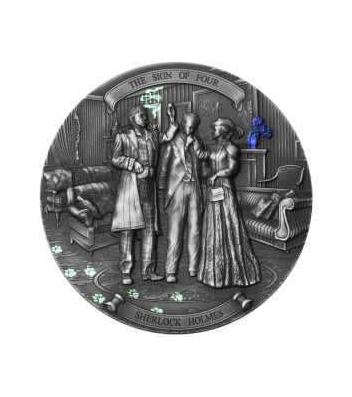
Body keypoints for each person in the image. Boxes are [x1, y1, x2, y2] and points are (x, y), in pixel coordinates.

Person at [111, 105, 177, 285]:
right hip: (131, 187)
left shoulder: (152, 135)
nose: (144, 118)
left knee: (149, 230)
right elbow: (115, 159)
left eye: (145, 115)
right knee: (128, 230)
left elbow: (167, 136)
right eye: (141, 115)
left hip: (149, 187)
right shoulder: (123, 136)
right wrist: (132, 162)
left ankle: (148, 271)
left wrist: (172, 120)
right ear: (132, 118)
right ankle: (126, 272)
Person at [192, 117, 261, 288]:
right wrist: (194, 141)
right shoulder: (213, 148)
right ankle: (214, 273)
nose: (212, 131)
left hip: (225, 189)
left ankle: (233, 272)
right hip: (213, 190)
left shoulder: (231, 147)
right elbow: (202, 155)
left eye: (215, 129)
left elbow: (232, 169)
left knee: (228, 226)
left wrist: (216, 174)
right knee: (213, 227)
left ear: (222, 130)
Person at [159, 112, 204, 283]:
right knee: (175, 231)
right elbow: (164, 167)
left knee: (195, 230)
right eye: (189, 126)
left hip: (195, 188)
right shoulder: (173, 142)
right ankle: (170, 271)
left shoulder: (198, 141)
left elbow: (203, 165)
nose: (192, 129)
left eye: (194, 127)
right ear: (183, 124)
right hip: (178, 188)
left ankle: (194, 268)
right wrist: (162, 190)